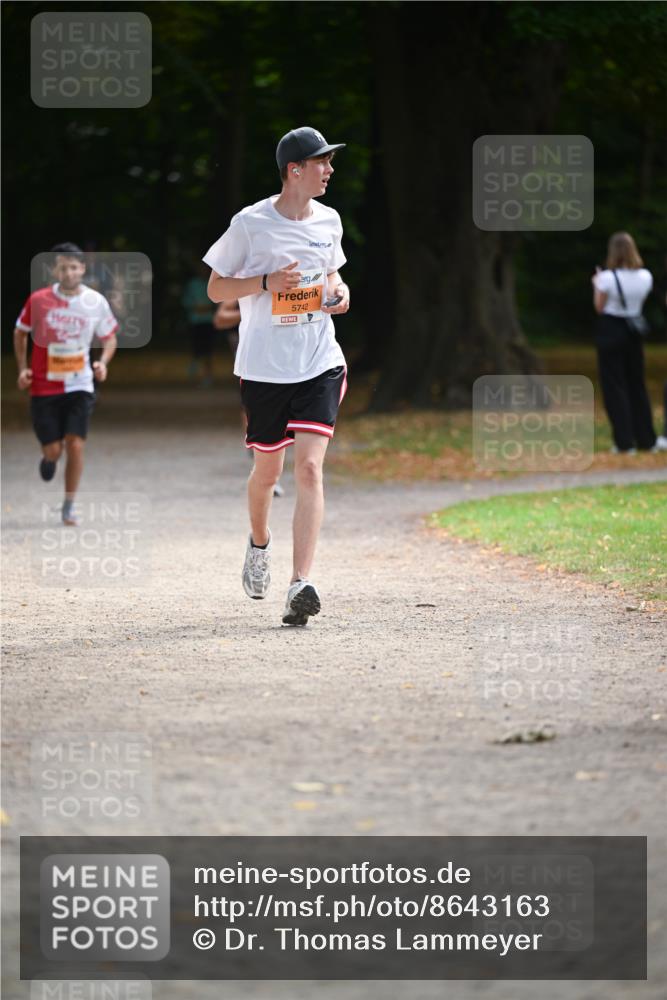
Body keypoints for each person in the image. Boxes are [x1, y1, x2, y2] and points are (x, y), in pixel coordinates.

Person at [203, 126, 350, 626]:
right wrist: (266, 282)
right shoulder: (250, 224)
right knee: (267, 472)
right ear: (295, 170)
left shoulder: (329, 220)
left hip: (319, 360)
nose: (329, 170)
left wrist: (340, 293)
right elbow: (216, 289)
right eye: (321, 162)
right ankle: (259, 544)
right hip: (264, 368)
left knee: (309, 469)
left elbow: (332, 274)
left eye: (329, 161)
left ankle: (300, 583)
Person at [13, 243, 118, 525]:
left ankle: (69, 505)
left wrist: (103, 362)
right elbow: (20, 332)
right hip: (44, 386)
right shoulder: (39, 300)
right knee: (54, 450)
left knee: (75, 444)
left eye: (73, 267)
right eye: (63, 267)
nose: (69, 272)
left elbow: (109, 337)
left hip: (80, 384)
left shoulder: (95, 301)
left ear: (82, 268)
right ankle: (49, 458)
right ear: (54, 270)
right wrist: (22, 369)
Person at [592, 232, 657, 454]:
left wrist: (596, 285)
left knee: (614, 385)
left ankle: (624, 441)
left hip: (612, 328)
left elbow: (599, 307)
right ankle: (646, 438)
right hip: (634, 330)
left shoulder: (607, 278)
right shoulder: (645, 276)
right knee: (637, 384)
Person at [214, 298, 284, 498]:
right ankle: (258, 457)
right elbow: (219, 318)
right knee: (253, 410)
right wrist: (251, 312)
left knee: (280, 412)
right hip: (250, 362)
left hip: (282, 355)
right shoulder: (244, 286)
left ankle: (269, 470)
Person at [182, 262, 216, 386]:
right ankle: (194, 370)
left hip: (208, 321)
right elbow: (186, 301)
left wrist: (209, 308)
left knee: (208, 351)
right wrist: (195, 308)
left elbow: (217, 302)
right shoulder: (192, 284)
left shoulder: (212, 282)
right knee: (196, 348)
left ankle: (207, 376)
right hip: (195, 321)